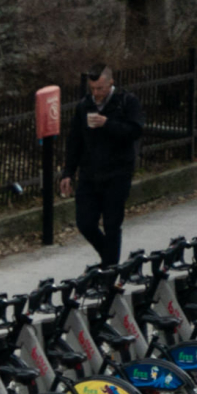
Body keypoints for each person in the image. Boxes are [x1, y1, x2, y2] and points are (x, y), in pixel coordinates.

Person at [61, 64, 145, 266]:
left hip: (118, 172)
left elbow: (135, 131)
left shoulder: (126, 102)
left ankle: (109, 269)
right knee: (85, 222)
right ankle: (109, 262)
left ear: (111, 83)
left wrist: (107, 123)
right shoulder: (84, 106)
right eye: (92, 89)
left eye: (100, 89)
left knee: (112, 223)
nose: (96, 93)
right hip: (90, 172)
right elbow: (75, 141)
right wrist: (68, 173)